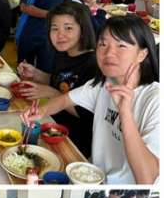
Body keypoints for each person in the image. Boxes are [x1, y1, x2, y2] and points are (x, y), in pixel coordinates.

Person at [22, 15, 159, 184]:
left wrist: (125, 114)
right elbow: (64, 100)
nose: (109, 53)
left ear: (142, 54)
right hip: (93, 177)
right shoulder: (104, 84)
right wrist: (40, 111)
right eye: (103, 44)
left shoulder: (155, 100)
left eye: (121, 45)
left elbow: (147, 179)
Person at [18, 1, 97, 157]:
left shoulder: (93, 64)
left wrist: (51, 92)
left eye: (68, 28)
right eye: (54, 28)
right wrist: (35, 73)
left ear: (83, 30)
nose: (60, 35)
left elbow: (85, 114)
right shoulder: (63, 53)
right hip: (51, 126)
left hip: (75, 142)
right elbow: (59, 81)